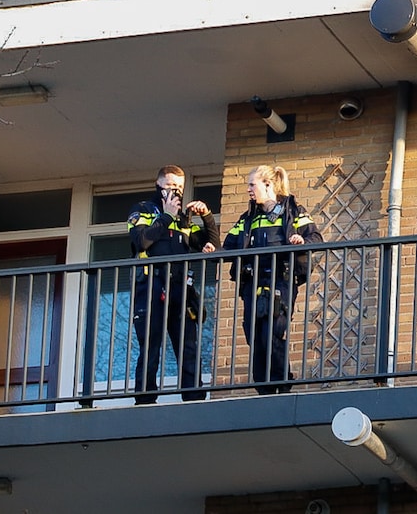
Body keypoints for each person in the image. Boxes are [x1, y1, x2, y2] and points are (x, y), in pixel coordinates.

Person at [223, 165, 322, 394]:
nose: (248, 189)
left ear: (268, 184)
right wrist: (213, 249)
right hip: (253, 282)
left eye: (252, 184)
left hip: (281, 280)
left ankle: (281, 383)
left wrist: (300, 241)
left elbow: (315, 236)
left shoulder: (293, 212)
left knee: (272, 332)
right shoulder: (248, 218)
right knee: (254, 335)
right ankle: (264, 388)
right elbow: (229, 245)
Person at [127, 165, 219, 404]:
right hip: (151, 287)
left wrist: (206, 215)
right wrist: (165, 215)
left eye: (179, 187)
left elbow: (213, 245)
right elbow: (141, 241)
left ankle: (194, 398)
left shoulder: (183, 219)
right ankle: (145, 399)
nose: (175, 192)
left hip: (181, 290)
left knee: (189, 348)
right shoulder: (142, 210)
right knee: (151, 347)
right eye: (169, 187)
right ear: (158, 186)